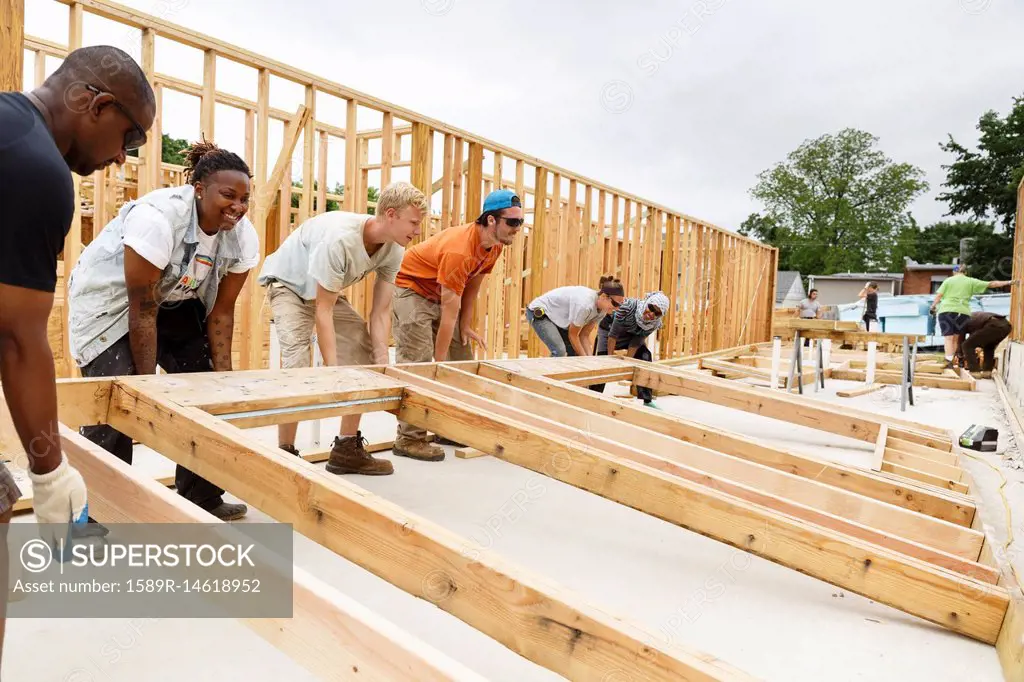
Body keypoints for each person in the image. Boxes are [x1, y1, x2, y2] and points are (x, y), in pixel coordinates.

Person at [1, 44, 155, 662]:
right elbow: (16, 336)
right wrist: (50, 472)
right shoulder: (36, 171)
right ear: (96, 104)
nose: (122, 157)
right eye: (128, 137)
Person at [68, 141, 258, 521]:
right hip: (111, 305)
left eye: (244, 198)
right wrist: (145, 386)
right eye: (228, 195)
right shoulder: (157, 218)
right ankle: (93, 517)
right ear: (199, 189)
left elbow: (221, 312)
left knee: (205, 394)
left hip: (175, 300)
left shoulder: (241, 235)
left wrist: (222, 383)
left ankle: (201, 496)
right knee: (116, 401)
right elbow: (142, 309)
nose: (237, 207)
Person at [257, 182, 428, 475]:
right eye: (413, 222)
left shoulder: (394, 249)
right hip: (290, 287)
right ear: (391, 214)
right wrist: (333, 370)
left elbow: (380, 312)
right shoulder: (340, 240)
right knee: (297, 366)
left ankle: (346, 449)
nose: (417, 230)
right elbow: (322, 312)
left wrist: (381, 362)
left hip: (327, 293)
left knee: (363, 357)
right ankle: (285, 453)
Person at [390, 189, 522, 462]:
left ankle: (444, 426)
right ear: (491, 221)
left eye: (520, 223)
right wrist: (438, 363)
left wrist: (466, 326)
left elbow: (471, 289)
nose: (517, 229)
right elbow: (448, 313)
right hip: (412, 290)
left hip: (441, 294)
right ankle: (409, 438)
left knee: (461, 359)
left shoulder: (493, 246)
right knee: (421, 365)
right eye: (512, 222)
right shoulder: (459, 249)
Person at [592, 287, 668, 408]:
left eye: (657, 313)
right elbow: (613, 335)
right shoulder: (628, 307)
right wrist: (610, 358)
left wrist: (627, 363)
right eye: (651, 308)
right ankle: (593, 396)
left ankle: (647, 400)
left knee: (645, 356)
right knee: (602, 361)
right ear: (647, 303)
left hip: (630, 336)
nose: (651, 313)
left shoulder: (654, 324)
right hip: (608, 331)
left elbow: (635, 342)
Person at [929, 264, 1015, 368]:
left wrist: (933, 306)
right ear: (965, 272)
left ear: (954, 272)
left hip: (947, 310)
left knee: (948, 338)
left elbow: (939, 295)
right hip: (963, 312)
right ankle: (954, 360)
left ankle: (949, 361)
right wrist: (1009, 282)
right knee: (956, 338)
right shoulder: (971, 281)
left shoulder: (948, 281)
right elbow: (991, 284)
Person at [526, 279, 625, 357]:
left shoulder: (602, 311)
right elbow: (573, 335)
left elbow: (584, 335)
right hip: (541, 312)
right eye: (615, 304)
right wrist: (585, 359)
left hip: (557, 318)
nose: (617, 308)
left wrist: (590, 361)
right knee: (559, 351)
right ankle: (547, 380)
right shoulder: (585, 305)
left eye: (620, 305)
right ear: (604, 296)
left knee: (574, 353)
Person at [958, 312, 1012, 377]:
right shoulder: (971, 318)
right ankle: (987, 372)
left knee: (966, 345)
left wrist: (960, 355)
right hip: (1007, 326)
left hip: (993, 325)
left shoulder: (960, 322)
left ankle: (974, 371)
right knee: (989, 346)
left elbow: (961, 341)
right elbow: (974, 337)